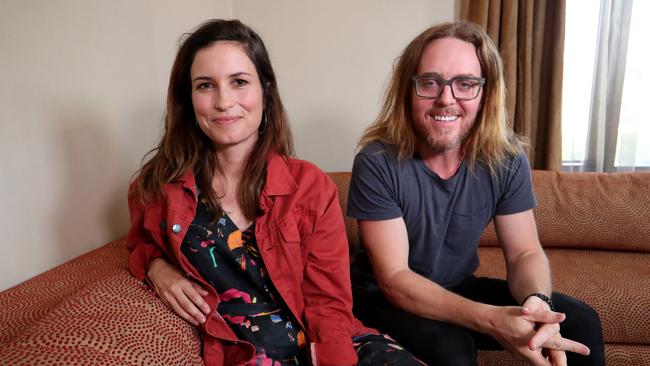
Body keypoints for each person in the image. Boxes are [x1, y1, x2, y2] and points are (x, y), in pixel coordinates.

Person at [126, 19, 423, 366]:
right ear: (188, 99)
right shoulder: (157, 187)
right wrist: (156, 267)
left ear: (265, 90)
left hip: (326, 345)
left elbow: (328, 304)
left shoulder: (311, 186)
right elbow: (137, 245)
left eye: (239, 82)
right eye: (206, 85)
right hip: (250, 354)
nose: (223, 101)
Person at [347, 21, 605, 366]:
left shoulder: (506, 158)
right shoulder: (377, 162)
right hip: (384, 299)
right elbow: (395, 279)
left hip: (458, 287)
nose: (446, 99)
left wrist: (536, 302)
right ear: (409, 89)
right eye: (430, 82)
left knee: (580, 324)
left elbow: (524, 253)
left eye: (465, 84)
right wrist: (491, 319)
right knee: (452, 350)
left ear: (486, 93)